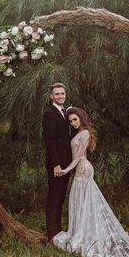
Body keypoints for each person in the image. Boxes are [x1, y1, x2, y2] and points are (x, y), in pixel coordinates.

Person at [53, 107, 129, 257]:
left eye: (75, 119)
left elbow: (79, 156)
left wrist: (66, 169)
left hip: (83, 168)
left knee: (84, 203)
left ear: (81, 118)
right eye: (70, 121)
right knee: (80, 202)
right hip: (80, 169)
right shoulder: (79, 133)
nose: (73, 123)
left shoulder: (85, 133)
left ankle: (85, 235)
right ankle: (83, 232)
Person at [42, 82, 72, 242]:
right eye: (57, 94)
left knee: (60, 198)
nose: (60, 96)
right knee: (54, 197)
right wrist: (56, 164)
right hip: (57, 164)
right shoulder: (49, 113)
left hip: (67, 163)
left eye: (62, 93)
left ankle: (58, 232)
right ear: (51, 96)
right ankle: (52, 235)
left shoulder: (65, 112)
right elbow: (50, 142)